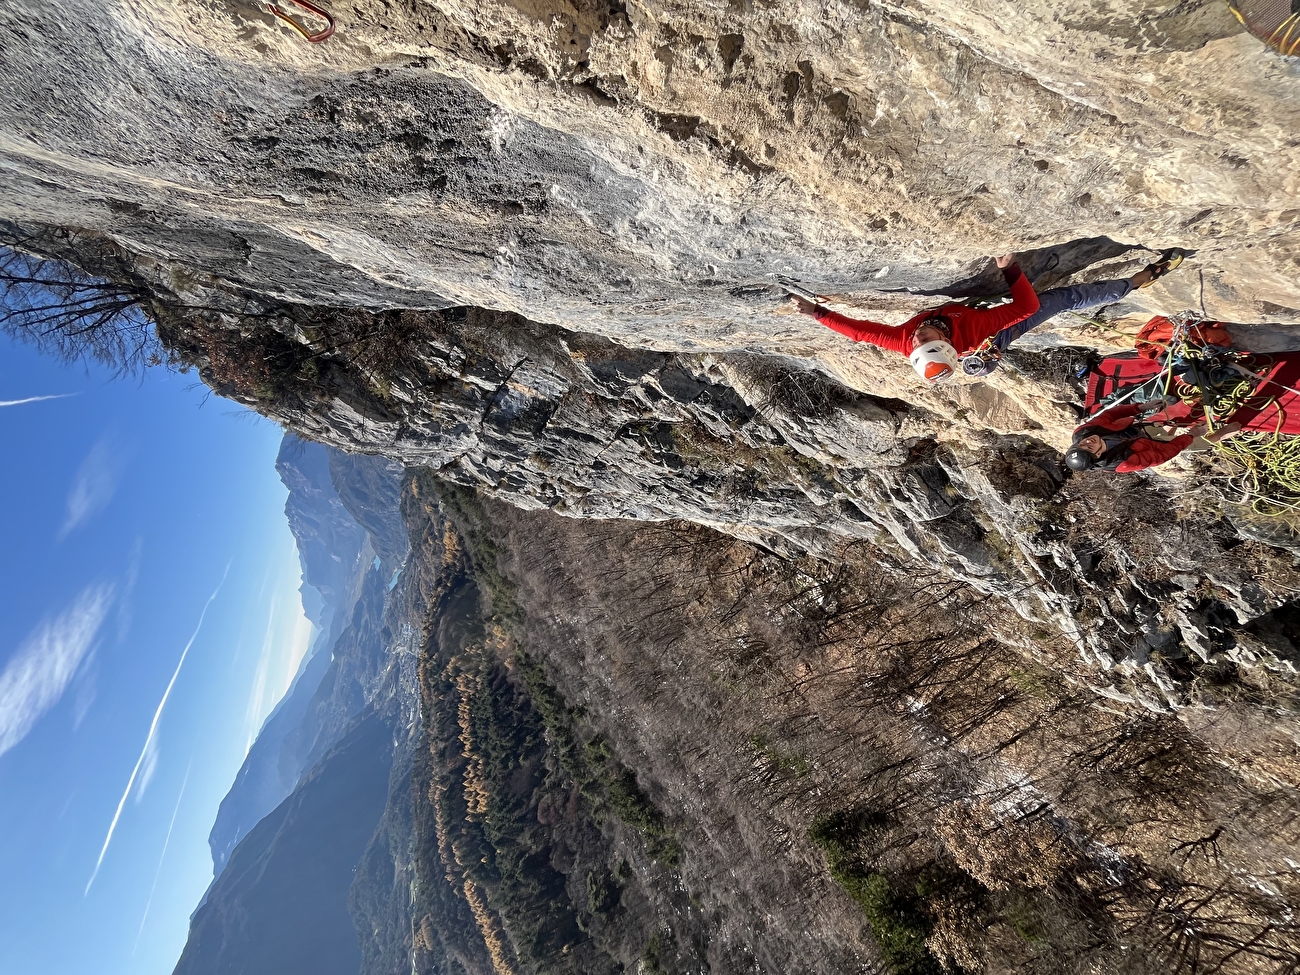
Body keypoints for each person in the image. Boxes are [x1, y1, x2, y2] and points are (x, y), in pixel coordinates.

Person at [791, 255, 1040, 383]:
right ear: (943, 338)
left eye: (918, 344)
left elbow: (858, 332)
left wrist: (817, 312)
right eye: (927, 339)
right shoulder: (977, 329)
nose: (918, 336)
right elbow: (1027, 306)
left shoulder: (903, 341)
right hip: (992, 336)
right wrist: (1009, 268)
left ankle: (980, 369)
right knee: (1060, 301)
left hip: (963, 345)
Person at [961, 248, 1187, 377]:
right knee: (1066, 299)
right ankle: (1144, 277)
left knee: (1061, 299)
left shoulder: (957, 345)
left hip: (1008, 322)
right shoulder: (991, 346)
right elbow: (1007, 333)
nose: (987, 353)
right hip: (1017, 323)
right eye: (990, 356)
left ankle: (1135, 283)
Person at [1063, 398, 1240, 473]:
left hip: (1138, 430)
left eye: (1082, 444)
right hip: (1150, 445)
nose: (1088, 442)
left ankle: (1171, 428)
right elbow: (1164, 454)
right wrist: (1190, 436)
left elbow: (1110, 415)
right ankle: (1222, 433)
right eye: (1089, 447)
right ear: (1098, 455)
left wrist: (1140, 408)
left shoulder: (1082, 433)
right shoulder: (1124, 463)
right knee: (1198, 443)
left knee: (1166, 423)